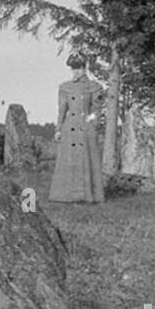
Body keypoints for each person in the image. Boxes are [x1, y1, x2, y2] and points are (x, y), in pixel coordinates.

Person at [50, 53, 105, 203]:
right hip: (70, 129)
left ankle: (88, 196)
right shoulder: (65, 87)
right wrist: (58, 129)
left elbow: (96, 111)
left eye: (79, 68)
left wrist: (92, 124)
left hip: (86, 130)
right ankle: (66, 196)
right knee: (69, 160)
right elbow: (62, 110)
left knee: (86, 161)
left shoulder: (94, 87)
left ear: (85, 68)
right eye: (73, 69)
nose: (76, 72)